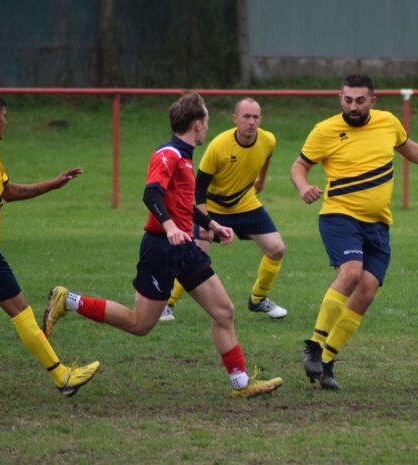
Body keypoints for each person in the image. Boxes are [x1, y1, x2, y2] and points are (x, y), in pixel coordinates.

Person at [43, 93, 283, 398]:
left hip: (185, 249)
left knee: (223, 311)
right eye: (206, 121)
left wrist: (212, 225)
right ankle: (68, 300)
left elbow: (183, 204)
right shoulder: (168, 154)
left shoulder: (184, 157)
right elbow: (151, 194)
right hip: (160, 248)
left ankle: (241, 384)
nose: (207, 127)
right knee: (139, 324)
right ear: (197, 125)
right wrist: (169, 227)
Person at [290, 74, 418, 390]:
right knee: (351, 272)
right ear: (340, 98)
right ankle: (314, 344)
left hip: (378, 224)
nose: (353, 106)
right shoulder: (324, 130)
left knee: (366, 291)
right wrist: (303, 186)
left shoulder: (387, 123)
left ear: (372, 101)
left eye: (360, 100)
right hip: (339, 216)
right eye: (348, 100)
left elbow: (415, 151)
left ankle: (327, 363)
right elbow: (299, 166)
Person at [0, 92, 99, 397]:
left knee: (19, 311)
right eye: (5, 117)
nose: (6, 122)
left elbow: (10, 192)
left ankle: (62, 377)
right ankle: (62, 377)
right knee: (21, 310)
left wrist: (53, 183)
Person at [160, 98, 287, 322]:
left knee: (277, 249)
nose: (251, 122)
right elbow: (199, 186)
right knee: (195, 254)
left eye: (256, 117)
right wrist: (204, 220)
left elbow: (266, 157)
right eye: (246, 117)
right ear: (235, 119)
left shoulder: (268, 140)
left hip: (245, 203)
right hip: (213, 206)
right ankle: (167, 304)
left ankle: (258, 299)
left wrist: (261, 182)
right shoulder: (219, 145)